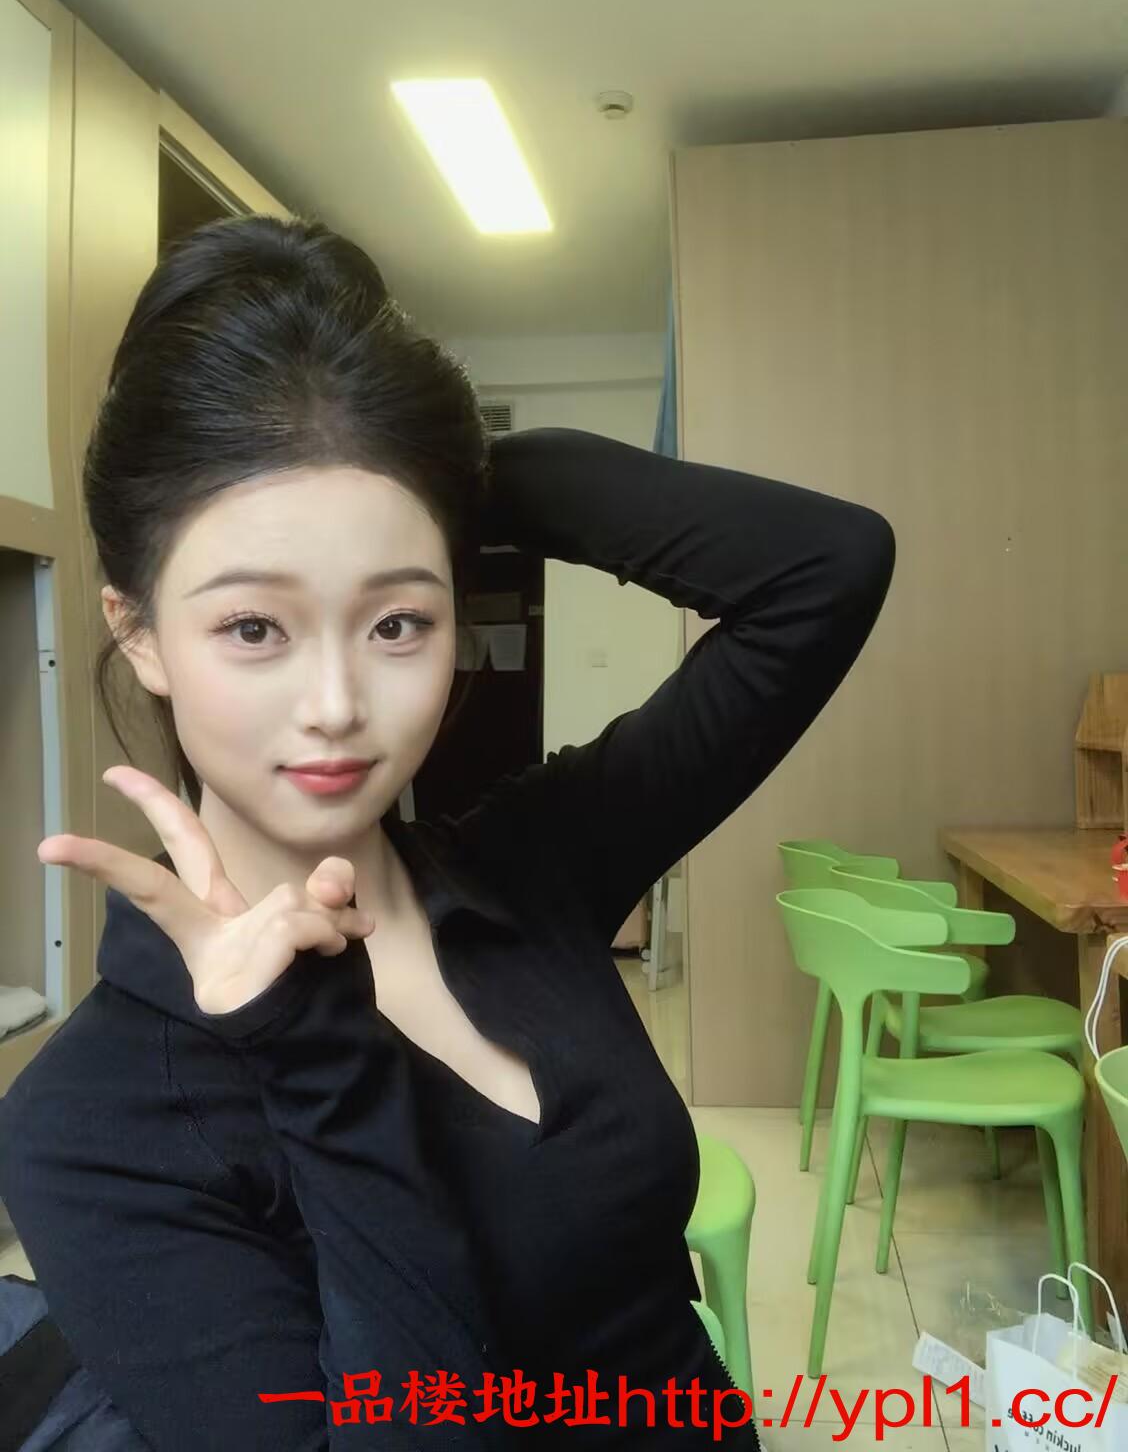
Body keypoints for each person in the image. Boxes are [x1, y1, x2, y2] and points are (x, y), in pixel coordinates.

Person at [0, 215, 895, 1449]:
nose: (336, 704)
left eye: (397, 623)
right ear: (138, 630)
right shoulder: (92, 1119)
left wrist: (429, 462)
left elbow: (825, 569)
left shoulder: (531, 866)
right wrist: (313, 1054)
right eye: (255, 628)